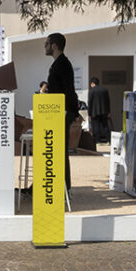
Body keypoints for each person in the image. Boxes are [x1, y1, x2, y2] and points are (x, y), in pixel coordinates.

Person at [44, 33, 79, 192]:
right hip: (58, 111)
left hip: (61, 113)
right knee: (56, 150)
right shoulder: (58, 64)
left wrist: (70, 111)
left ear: (54, 46)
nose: (45, 46)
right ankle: (57, 184)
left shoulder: (62, 64)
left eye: (47, 43)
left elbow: (68, 91)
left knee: (59, 150)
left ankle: (63, 187)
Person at [87, 77, 111, 144]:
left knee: (96, 127)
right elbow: (108, 101)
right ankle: (108, 140)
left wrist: (89, 112)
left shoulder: (91, 91)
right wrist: (109, 111)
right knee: (105, 126)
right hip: (104, 111)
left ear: (92, 83)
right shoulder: (105, 90)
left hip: (94, 112)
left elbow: (90, 102)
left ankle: (98, 141)